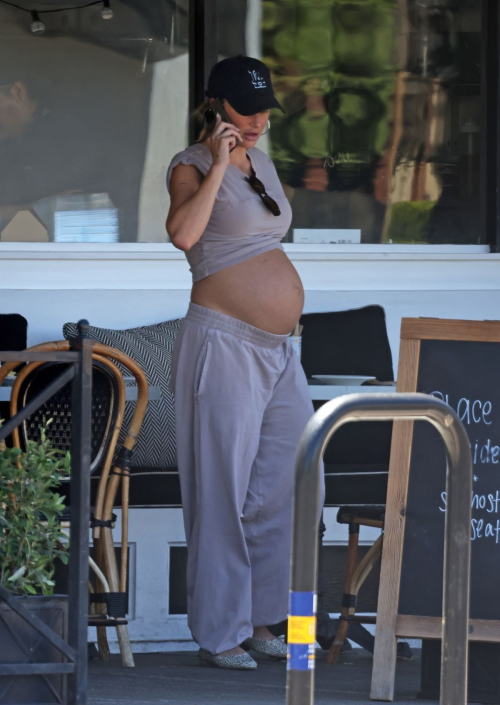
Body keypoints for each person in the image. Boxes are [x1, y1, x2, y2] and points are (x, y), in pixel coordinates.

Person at [166, 55, 325, 670]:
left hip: (279, 351)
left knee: (287, 482)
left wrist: (242, 154)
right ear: (217, 105)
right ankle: (219, 633)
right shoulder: (190, 164)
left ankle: (264, 620)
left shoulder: (262, 160)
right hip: (223, 341)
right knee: (221, 490)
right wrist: (213, 162)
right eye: (245, 110)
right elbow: (183, 235)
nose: (258, 121)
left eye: (264, 110)